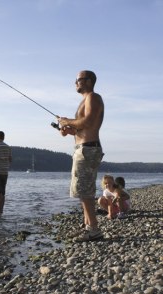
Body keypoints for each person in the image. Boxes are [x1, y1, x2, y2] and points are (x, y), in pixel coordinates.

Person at [58, 70, 104, 241]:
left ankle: (93, 230)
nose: (75, 83)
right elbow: (83, 128)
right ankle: (88, 226)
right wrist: (70, 130)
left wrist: (67, 121)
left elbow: (89, 121)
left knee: (85, 191)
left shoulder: (93, 97)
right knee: (83, 189)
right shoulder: (85, 100)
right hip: (84, 147)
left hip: (88, 149)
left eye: (78, 80)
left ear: (89, 81)